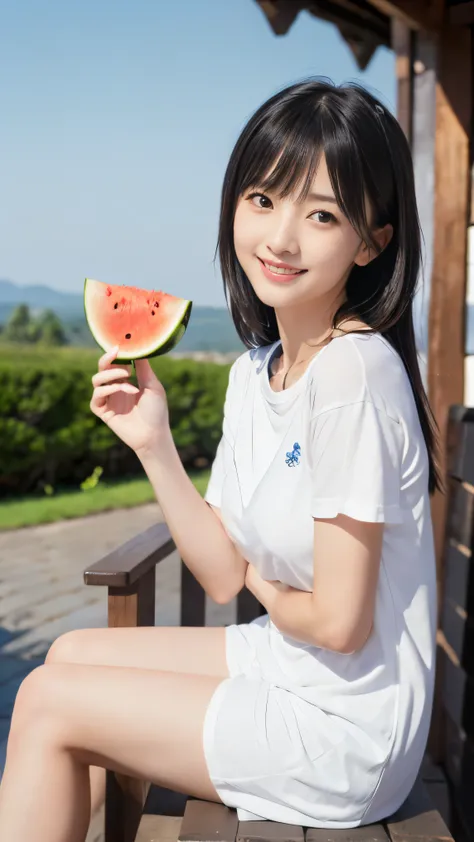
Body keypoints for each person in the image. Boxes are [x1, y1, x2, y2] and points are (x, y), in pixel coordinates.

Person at [0, 78, 440, 840]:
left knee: (47, 701)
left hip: (347, 730)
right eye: (264, 199)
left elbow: (336, 622)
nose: (281, 238)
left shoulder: (354, 374)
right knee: (68, 653)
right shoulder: (255, 370)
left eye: (323, 214)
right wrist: (155, 446)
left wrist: (265, 586)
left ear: (373, 241)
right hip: (290, 667)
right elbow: (218, 572)